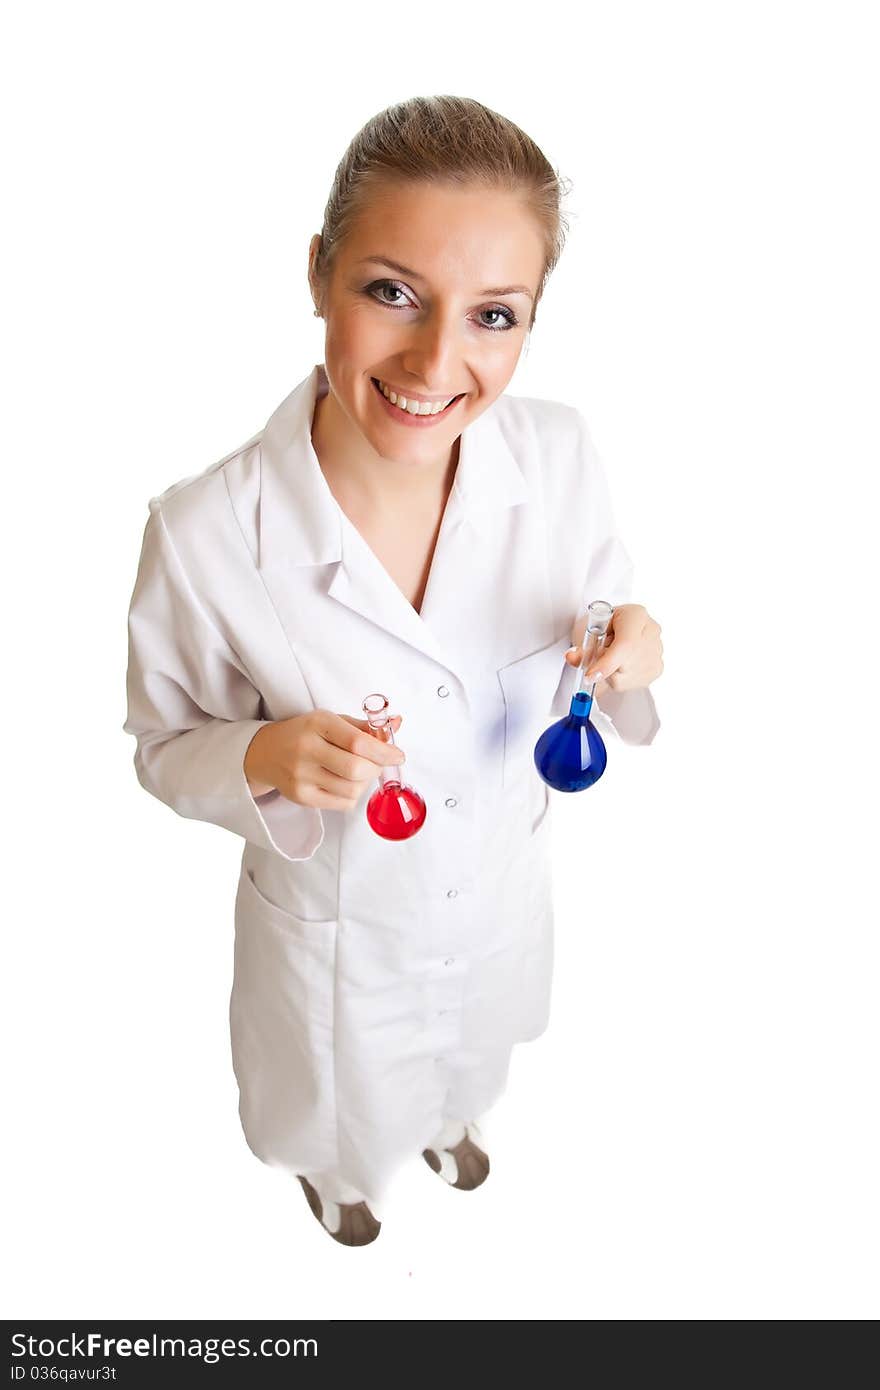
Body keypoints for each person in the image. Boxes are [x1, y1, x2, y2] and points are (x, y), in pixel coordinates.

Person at [123, 94, 663, 1248]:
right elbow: (164, 749)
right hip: (339, 933)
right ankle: (339, 1174)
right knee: (334, 1086)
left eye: (493, 315)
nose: (436, 361)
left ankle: (449, 1117)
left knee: (478, 1037)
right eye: (390, 292)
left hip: (498, 890)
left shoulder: (559, 457)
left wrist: (633, 646)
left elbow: (603, 612)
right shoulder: (207, 532)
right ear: (319, 272)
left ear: (530, 322)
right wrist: (260, 753)